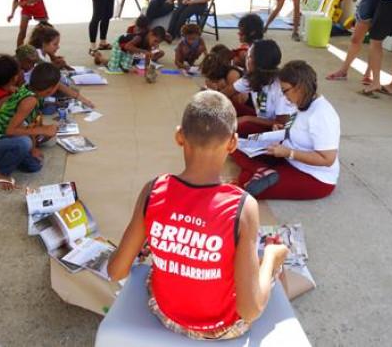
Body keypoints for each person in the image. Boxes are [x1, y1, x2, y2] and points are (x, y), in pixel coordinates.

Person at [107, 91, 290, 341]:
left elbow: (116, 271)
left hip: (165, 314)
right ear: (233, 143)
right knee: (272, 256)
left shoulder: (153, 189)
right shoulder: (243, 206)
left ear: (179, 136)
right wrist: (270, 258)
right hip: (221, 328)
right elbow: (249, 311)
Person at [231, 60, 339, 200]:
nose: (284, 96)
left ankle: (260, 171)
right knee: (235, 143)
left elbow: (327, 159)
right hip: (287, 157)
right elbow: (298, 128)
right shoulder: (301, 102)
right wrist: (283, 129)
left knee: (246, 187)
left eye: (285, 91)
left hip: (313, 176)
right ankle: (262, 170)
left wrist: (290, 153)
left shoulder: (322, 114)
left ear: (299, 87)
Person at [0, 62, 60, 190]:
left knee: (34, 166)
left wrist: (33, 148)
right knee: (24, 143)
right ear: (51, 89)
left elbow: (30, 124)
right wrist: (43, 130)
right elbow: (11, 130)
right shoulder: (30, 100)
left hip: (3, 141)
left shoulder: (33, 92)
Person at [221, 40, 294, 137]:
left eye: (250, 56)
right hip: (260, 118)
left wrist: (248, 118)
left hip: (276, 129)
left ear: (259, 62)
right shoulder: (252, 77)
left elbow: (282, 123)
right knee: (225, 103)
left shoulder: (280, 86)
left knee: (234, 129)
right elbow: (226, 93)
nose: (247, 59)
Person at [94, 26, 166, 74]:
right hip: (120, 44)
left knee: (125, 69)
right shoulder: (139, 38)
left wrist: (146, 69)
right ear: (151, 34)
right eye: (155, 41)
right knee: (113, 68)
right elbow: (127, 46)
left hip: (130, 51)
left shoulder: (149, 43)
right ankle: (99, 57)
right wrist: (144, 51)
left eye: (158, 43)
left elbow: (147, 56)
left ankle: (113, 60)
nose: (156, 44)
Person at [200, 45, 248, 109]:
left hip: (246, 106)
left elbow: (239, 100)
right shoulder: (219, 77)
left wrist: (218, 89)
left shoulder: (232, 73)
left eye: (211, 77)